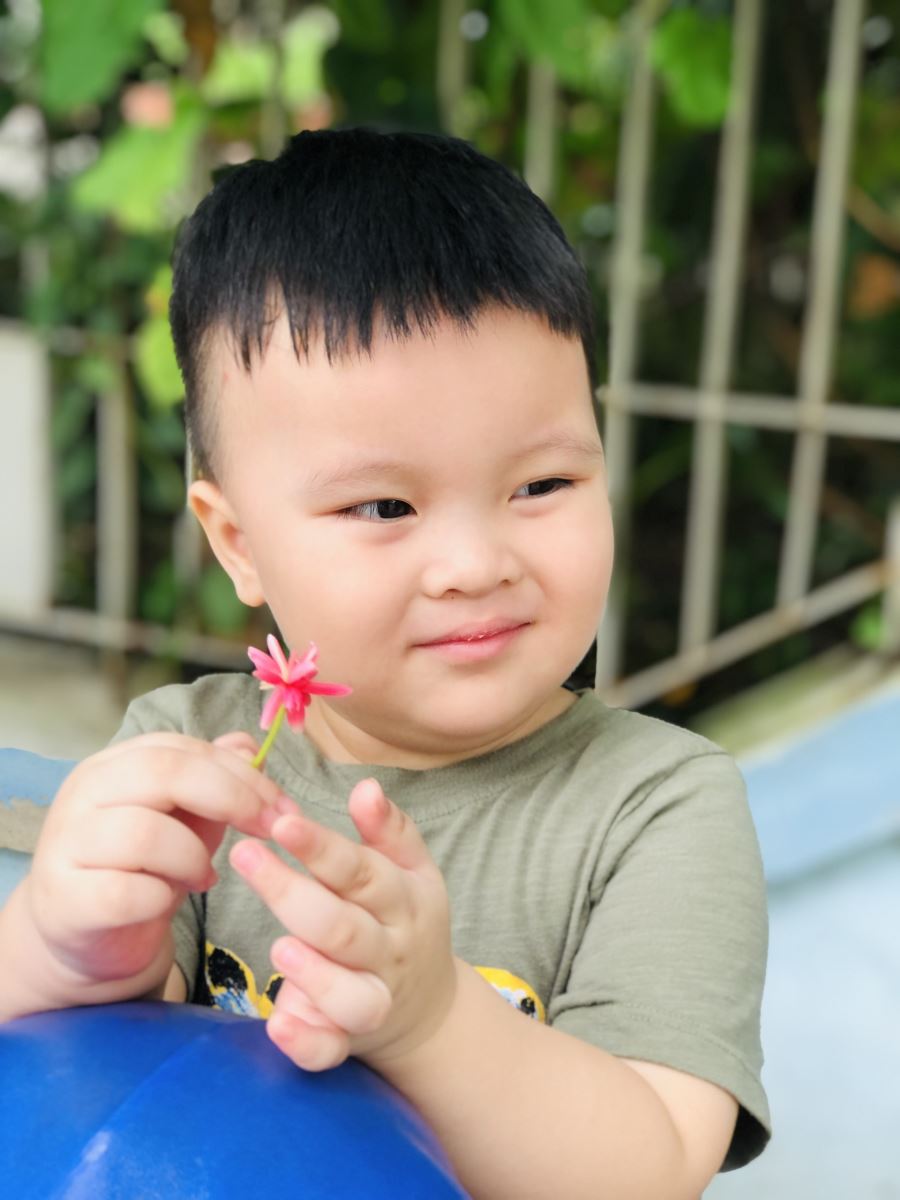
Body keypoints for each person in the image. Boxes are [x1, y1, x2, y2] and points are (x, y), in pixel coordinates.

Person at [0, 128, 770, 1198]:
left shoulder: (653, 807)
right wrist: (61, 946)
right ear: (238, 543)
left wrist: (433, 1021)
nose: (476, 564)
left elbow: (652, 1166)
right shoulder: (193, 762)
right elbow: (66, 1093)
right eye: (383, 506)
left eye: (542, 485)